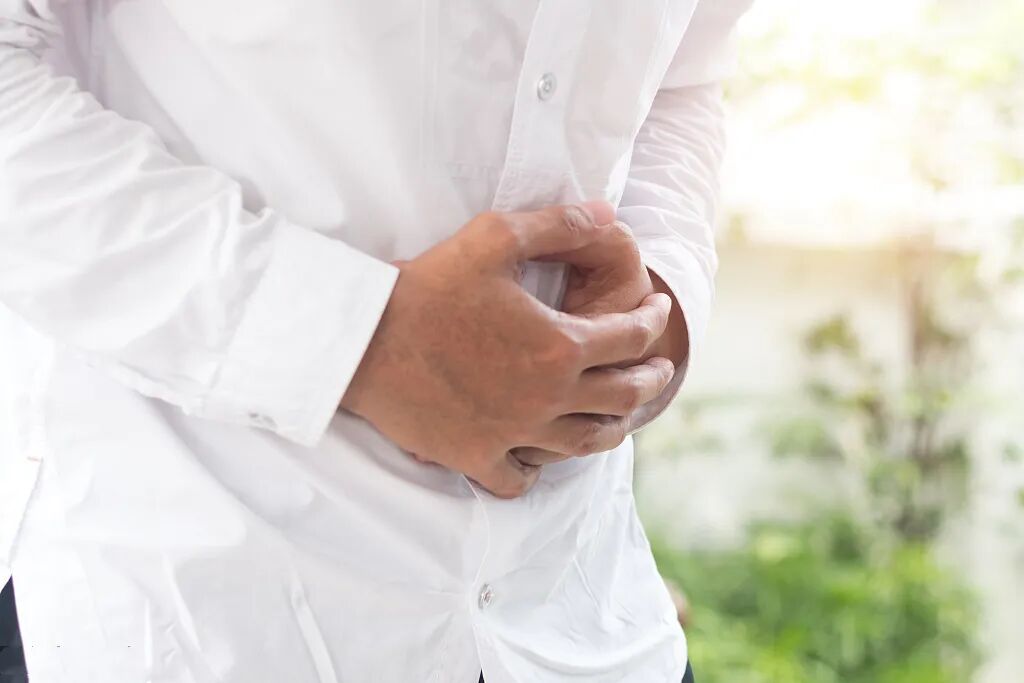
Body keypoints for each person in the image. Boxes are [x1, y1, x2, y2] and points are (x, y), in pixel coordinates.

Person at [0, 0, 752, 680]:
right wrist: (361, 340)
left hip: (580, 616)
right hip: (208, 611)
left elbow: (685, 74)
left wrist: (657, 309)